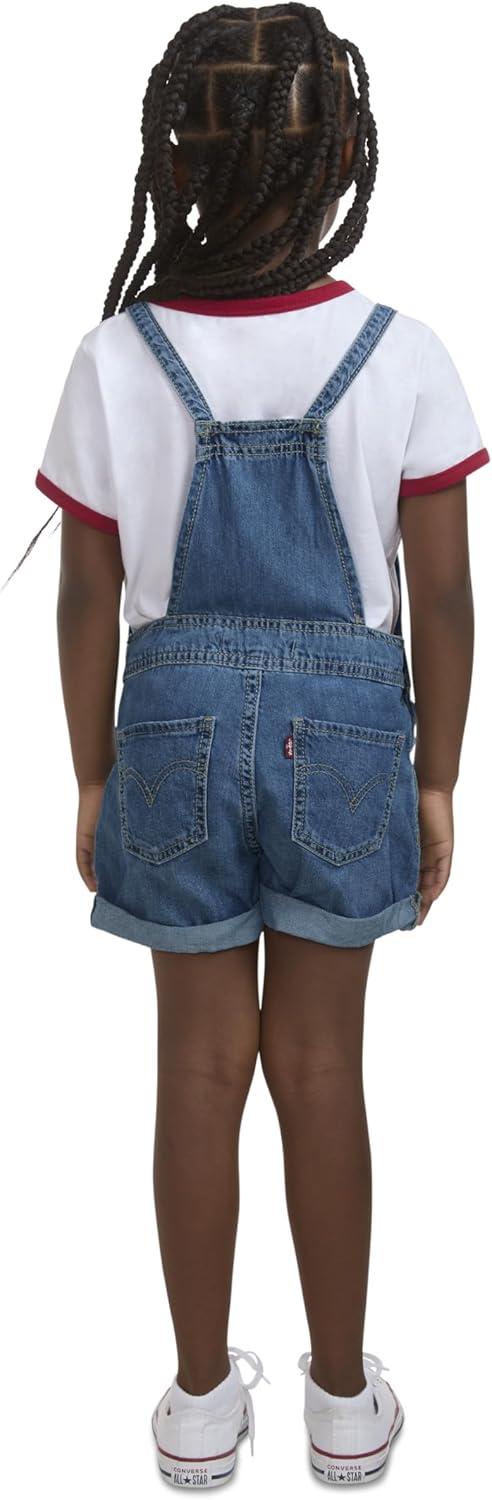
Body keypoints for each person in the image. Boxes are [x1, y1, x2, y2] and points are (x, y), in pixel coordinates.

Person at [22, 3, 489, 1488]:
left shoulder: (118, 355)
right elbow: (443, 596)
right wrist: (435, 776)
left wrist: (92, 772)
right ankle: (344, 1407)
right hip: (348, 734)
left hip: (166, 727)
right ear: (342, 156)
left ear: (174, 162)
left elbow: (87, 592)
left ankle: (199, 1405)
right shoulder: (400, 353)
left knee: (198, 1065)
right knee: (324, 1064)